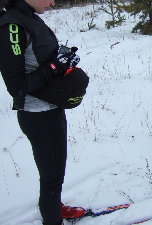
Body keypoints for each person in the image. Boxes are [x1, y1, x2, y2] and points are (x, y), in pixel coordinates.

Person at [0, 1, 86, 224]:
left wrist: (62, 60)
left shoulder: (29, 17)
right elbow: (16, 86)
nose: (53, 2)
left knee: (56, 171)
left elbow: (39, 59)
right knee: (51, 175)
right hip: (37, 115)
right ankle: (51, 219)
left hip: (51, 108)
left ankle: (53, 207)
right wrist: (55, 66)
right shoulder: (12, 27)